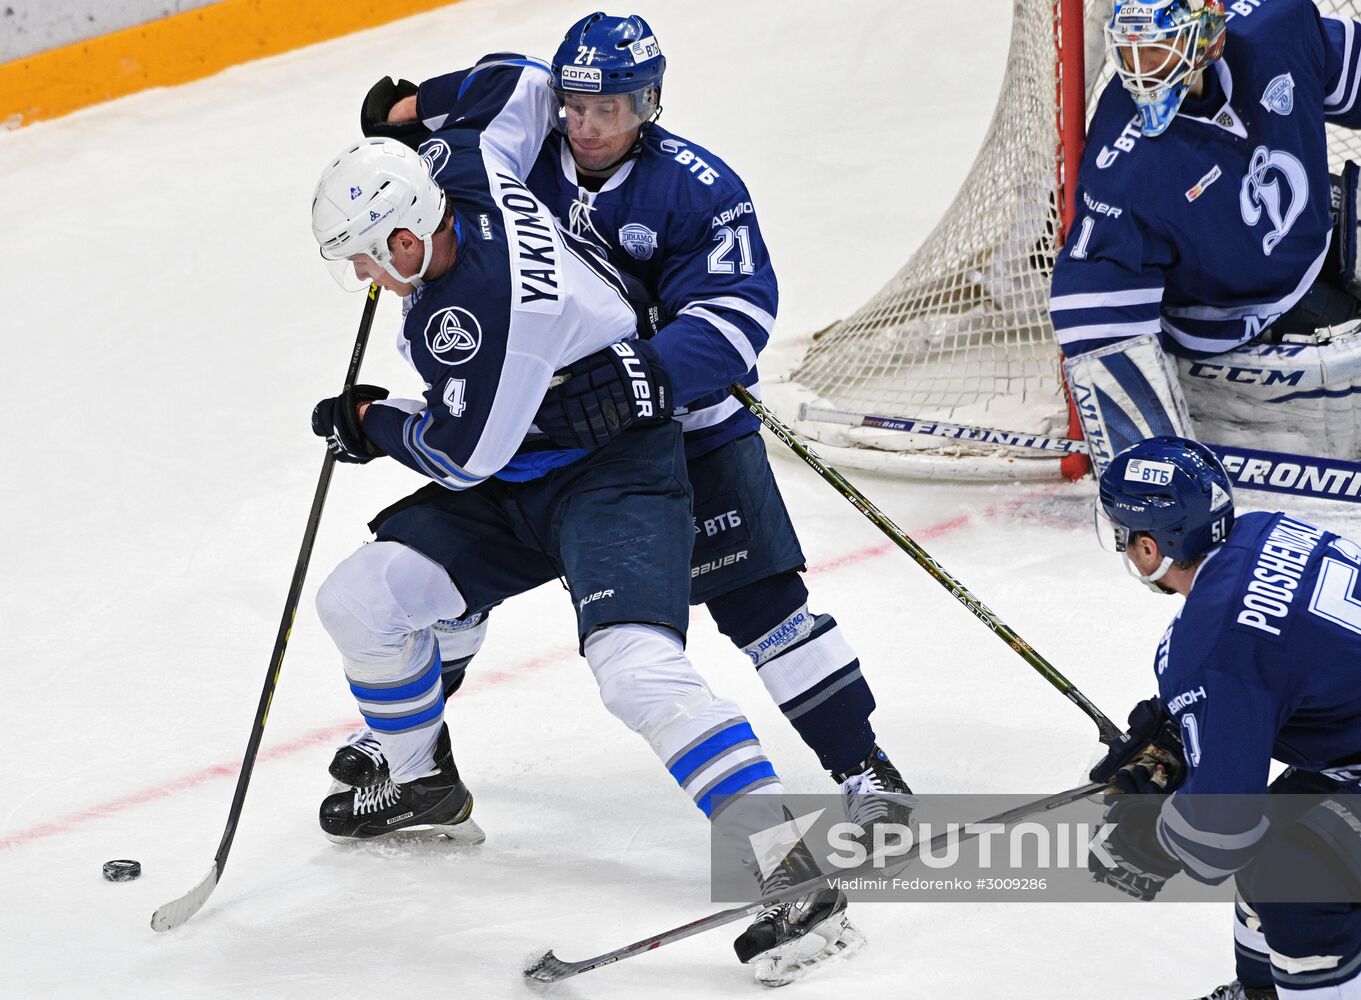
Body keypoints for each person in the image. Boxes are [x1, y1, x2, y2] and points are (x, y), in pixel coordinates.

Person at [340, 12, 916, 847]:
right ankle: (413, 748)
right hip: (543, 428)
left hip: (685, 429)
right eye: (575, 106)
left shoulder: (696, 188)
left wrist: (643, 377)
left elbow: (735, 314)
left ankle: (865, 770)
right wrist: (411, 112)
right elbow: (495, 84)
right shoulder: (537, 126)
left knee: (761, 606)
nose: (585, 125)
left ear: (648, 102)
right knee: (454, 572)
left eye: (607, 109)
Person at [307, 129, 859, 983]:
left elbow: (461, 457)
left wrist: (371, 421)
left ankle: (791, 866)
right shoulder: (458, 171)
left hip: (613, 471)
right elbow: (515, 91)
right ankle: (421, 785)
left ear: (407, 238)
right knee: (361, 599)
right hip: (526, 460)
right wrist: (422, 113)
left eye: (366, 258)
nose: (362, 278)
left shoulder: (480, 311)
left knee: (633, 667)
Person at [1088, 435, 1361, 999]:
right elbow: (1280, 654)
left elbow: (1221, 835)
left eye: (1121, 534)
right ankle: (1262, 992)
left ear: (1147, 547)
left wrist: (1150, 840)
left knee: (1299, 875)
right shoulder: (1264, 528)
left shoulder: (1211, 651)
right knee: (1284, 826)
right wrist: (1187, 731)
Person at [1048, 0, 1361, 474]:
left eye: (1156, 52)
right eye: (1130, 55)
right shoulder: (1125, 169)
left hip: (1307, 231)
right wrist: (1153, 469)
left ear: (1207, 39)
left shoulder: (1278, 25)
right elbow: (1091, 313)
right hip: (1240, 308)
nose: (1140, 74)